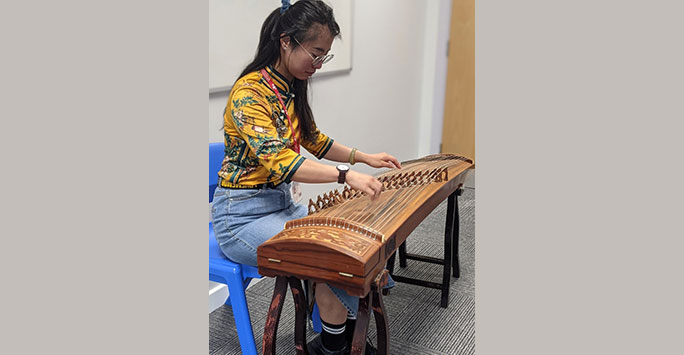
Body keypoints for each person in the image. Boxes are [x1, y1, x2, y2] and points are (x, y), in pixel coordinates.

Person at [211, 1, 401, 354]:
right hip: (240, 218)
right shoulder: (249, 93)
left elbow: (314, 141)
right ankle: (335, 345)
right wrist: (347, 175)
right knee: (328, 259)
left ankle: (337, 339)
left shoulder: (289, 86)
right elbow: (281, 162)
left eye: (324, 56)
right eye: (315, 53)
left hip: (282, 207)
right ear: (286, 42)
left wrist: (365, 157)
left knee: (347, 244)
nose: (318, 64)